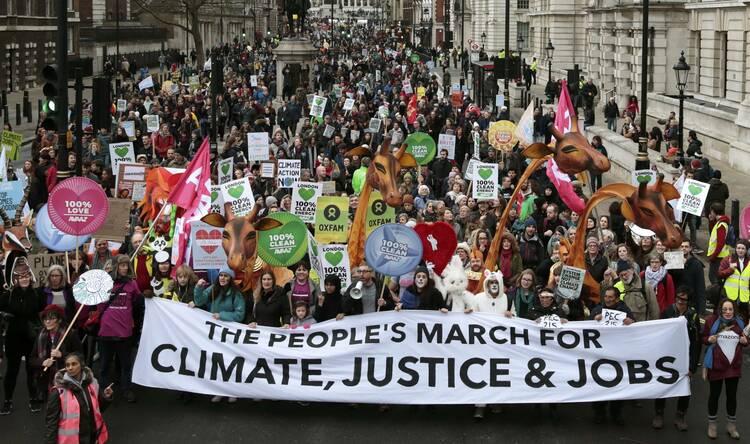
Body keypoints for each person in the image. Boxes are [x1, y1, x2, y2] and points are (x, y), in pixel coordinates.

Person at [192, 266, 245, 403]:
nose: (223, 278)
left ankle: (233, 391)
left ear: (231, 278)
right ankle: (219, 390)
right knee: (217, 361)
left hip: (229, 333)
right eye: (221, 275)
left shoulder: (236, 294)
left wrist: (222, 316)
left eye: (226, 276)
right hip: (215, 332)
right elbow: (199, 301)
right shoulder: (213, 289)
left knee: (230, 362)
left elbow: (239, 314)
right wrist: (198, 288)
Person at [652, 287, 701, 431]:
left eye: (684, 299)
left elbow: (696, 343)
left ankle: (680, 416)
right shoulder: (667, 312)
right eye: (678, 298)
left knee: (684, 387)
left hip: (684, 358)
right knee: (662, 385)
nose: (680, 301)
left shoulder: (693, 316)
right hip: (667, 356)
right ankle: (659, 414)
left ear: (688, 301)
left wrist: (692, 366)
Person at [97, 254, 143, 404]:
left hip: (124, 332)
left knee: (125, 365)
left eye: (126, 265)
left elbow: (137, 303)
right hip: (106, 331)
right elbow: (98, 304)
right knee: (104, 364)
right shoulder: (105, 283)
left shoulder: (132, 284)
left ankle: (126, 389)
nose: (124, 268)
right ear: (116, 266)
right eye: (121, 265)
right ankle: (104, 390)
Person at [0, 262, 45, 414]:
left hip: (31, 338)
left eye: (26, 275)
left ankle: (33, 398)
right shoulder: (8, 295)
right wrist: (4, 315)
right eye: (20, 276)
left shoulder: (37, 294)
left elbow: (43, 311)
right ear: (15, 279)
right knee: (12, 371)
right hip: (13, 338)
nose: (24, 278)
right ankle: (7, 400)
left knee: (32, 370)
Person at [702, 298, 747, 439]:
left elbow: (745, 339)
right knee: (714, 396)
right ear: (720, 310)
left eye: (730, 309)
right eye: (725, 309)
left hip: (734, 367)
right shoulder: (712, 322)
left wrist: (746, 342)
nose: (728, 312)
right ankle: (712, 425)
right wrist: (708, 339)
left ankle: (731, 426)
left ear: (734, 310)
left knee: (732, 397)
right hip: (716, 366)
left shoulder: (740, 323)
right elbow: (703, 337)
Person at [45, 352, 113, 444]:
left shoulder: (92, 383)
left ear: (81, 365)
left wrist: (105, 396)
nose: (70, 367)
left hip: (93, 437)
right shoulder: (57, 393)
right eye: (67, 365)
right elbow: (51, 423)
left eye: (74, 364)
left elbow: (99, 408)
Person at [590, 286, 634, 425]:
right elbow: (585, 326)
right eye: (606, 297)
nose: (607, 299)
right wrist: (593, 319)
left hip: (618, 354)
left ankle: (616, 413)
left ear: (616, 298)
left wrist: (631, 322)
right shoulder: (598, 309)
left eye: (610, 297)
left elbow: (635, 326)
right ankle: (599, 412)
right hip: (600, 354)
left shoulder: (624, 310)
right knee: (599, 384)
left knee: (618, 384)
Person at [33, 304, 83, 401]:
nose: (47, 321)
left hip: (67, 380)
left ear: (59, 320)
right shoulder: (41, 335)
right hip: (47, 383)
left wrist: (63, 355)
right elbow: (31, 359)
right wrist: (42, 362)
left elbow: (80, 356)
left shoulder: (70, 334)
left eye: (52, 318)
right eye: (45, 319)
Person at [718, 239, 750, 323]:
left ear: (746, 250)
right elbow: (719, 274)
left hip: (745, 297)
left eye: (743, 248)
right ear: (735, 249)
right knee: (728, 318)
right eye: (738, 248)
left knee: (744, 318)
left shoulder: (749, 262)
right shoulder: (728, 259)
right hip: (729, 295)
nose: (740, 250)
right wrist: (730, 270)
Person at [707, 203, 730, 285]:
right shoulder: (720, 223)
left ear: (713, 212)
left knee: (714, 278)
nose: (710, 213)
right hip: (718, 256)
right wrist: (711, 221)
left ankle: (718, 296)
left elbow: (720, 243)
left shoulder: (721, 225)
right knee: (714, 278)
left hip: (718, 257)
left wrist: (713, 257)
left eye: (711, 211)